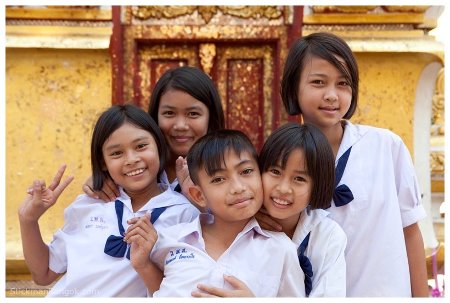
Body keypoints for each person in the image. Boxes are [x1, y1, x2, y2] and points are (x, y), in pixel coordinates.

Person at [278, 32, 428, 297]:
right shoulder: (280, 158)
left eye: (343, 84)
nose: (332, 95)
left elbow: (411, 231)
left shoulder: (386, 147)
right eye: (318, 82)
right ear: (293, 88)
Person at [18, 104, 199, 297]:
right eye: (116, 153)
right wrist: (28, 220)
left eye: (141, 146)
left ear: (159, 147)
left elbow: (176, 293)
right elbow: (43, 274)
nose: (131, 159)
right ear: (103, 162)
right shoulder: (88, 204)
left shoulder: (184, 214)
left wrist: (145, 264)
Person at [126, 129, 306, 297]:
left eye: (246, 171)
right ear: (199, 195)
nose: (238, 187)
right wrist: (143, 265)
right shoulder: (170, 240)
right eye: (219, 179)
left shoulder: (280, 250)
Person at [191, 123, 347, 297]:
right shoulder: (233, 218)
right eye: (275, 171)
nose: (283, 188)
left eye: (299, 179)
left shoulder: (327, 236)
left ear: (317, 185)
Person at [83, 66, 225, 200]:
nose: (180, 125)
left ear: (210, 118)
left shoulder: (229, 172)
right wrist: (100, 179)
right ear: (155, 116)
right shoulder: (135, 171)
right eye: (169, 113)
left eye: (193, 114)